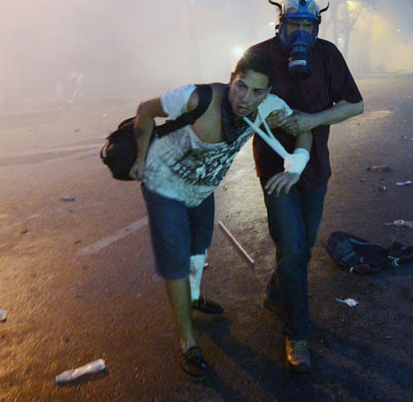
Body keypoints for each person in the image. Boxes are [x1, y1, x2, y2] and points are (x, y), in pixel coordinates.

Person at [130, 51, 312, 381]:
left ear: (268, 93)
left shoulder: (269, 107)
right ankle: (188, 342)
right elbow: (145, 109)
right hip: (164, 182)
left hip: (202, 188)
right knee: (177, 261)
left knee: (199, 248)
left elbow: (304, 128)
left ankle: (194, 297)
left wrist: (295, 167)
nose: (246, 99)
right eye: (241, 86)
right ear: (232, 79)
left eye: (257, 92)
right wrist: (141, 158)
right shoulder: (196, 98)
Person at [248, 0, 364, 373]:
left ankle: (277, 289)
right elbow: (238, 102)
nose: (300, 33)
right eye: (293, 24)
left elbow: (356, 104)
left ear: (317, 27)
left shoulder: (327, 55)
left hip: (314, 166)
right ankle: (296, 334)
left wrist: (311, 121)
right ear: (279, 24)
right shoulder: (258, 56)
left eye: (307, 26)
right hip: (275, 170)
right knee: (292, 245)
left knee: (305, 245)